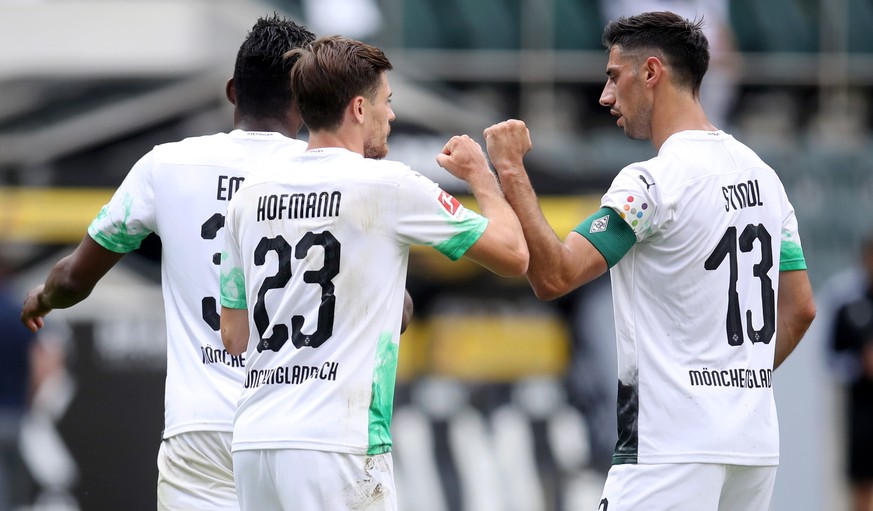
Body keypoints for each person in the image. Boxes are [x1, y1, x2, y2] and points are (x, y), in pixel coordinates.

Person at [482, 11, 816, 511]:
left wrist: (509, 169)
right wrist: (737, 386)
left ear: (652, 72)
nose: (605, 97)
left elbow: (555, 275)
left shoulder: (653, 182)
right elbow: (801, 308)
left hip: (669, 451)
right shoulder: (765, 177)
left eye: (614, 77)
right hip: (753, 446)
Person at [19, 15, 320, 511]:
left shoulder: (167, 165)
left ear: (231, 90)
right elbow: (392, 309)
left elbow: (74, 276)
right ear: (306, 99)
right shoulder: (330, 178)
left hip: (201, 427)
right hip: (298, 428)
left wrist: (42, 298)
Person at [218, 35, 528, 511]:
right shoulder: (389, 184)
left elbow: (234, 335)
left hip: (255, 442)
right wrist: (481, 175)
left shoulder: (249, 195)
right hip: (338, 444)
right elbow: (513, 254)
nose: (393, 115)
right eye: (388, 101)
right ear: (359, 108)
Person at [831, 234, 873, 511]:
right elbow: (831, 358)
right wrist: (859, 365)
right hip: (863, 411)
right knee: (862, 485)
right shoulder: (848, 304)